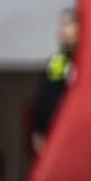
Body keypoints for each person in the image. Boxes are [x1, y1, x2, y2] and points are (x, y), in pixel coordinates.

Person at [31, 8, 77, 155]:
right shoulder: (56, 63)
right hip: (55, 138)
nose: (61, 29)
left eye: (67, 24)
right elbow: (43, 99)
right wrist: (39, 131)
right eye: (61, 25)